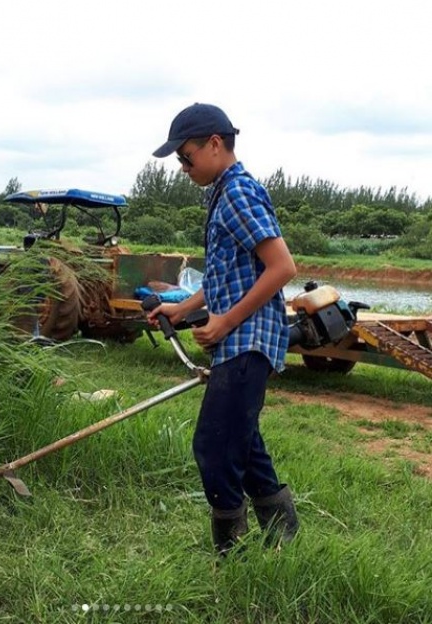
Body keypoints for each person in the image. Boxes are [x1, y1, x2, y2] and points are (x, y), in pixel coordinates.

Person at [149, 103, 299, 556]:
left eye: (186, 155)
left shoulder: (238, 193)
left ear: (215, 144)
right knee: (244, 444)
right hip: (240, 338)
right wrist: (184, 309)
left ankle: (230, 557)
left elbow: (282, 267)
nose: (182, 166)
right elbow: (226, 278)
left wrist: (224, 324)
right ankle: (283, 541)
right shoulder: (222, 192)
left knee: (214, 447)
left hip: (248, 341)